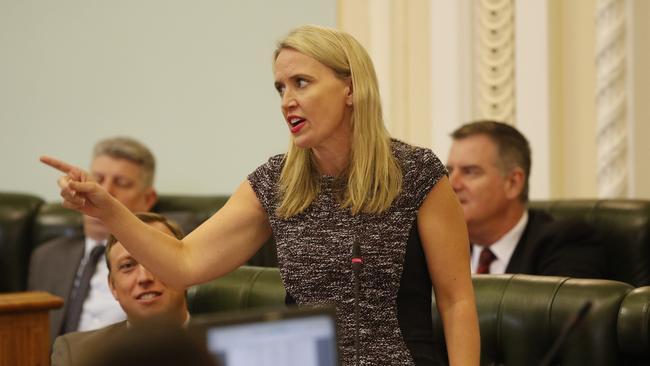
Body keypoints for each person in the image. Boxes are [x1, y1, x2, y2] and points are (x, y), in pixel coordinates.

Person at [42, 25, 480, 365]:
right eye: (280, 88)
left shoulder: (417, 172)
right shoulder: (277, 183)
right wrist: (111, 210)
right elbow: (184, 262)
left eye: (301, 83)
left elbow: (457, 301)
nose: (287, 100)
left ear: (350, 88)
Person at [29, 137, 158, 342]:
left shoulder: (158, 257)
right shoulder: (46, 257)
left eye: (121, 183)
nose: (104, 191)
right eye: (97, 179)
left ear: (148, 199)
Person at [446, 120, 606, 277]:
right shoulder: (441, 247)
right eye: (449, 171)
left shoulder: (566, 243)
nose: (452, 184)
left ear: (513, 183)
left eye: (470, 172)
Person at [51, 213, 191, 366]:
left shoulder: (218, 340)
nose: (144, 278)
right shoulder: (77, 353)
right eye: (128, 266)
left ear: (187, 271)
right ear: (113, 286)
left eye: (156, 259)